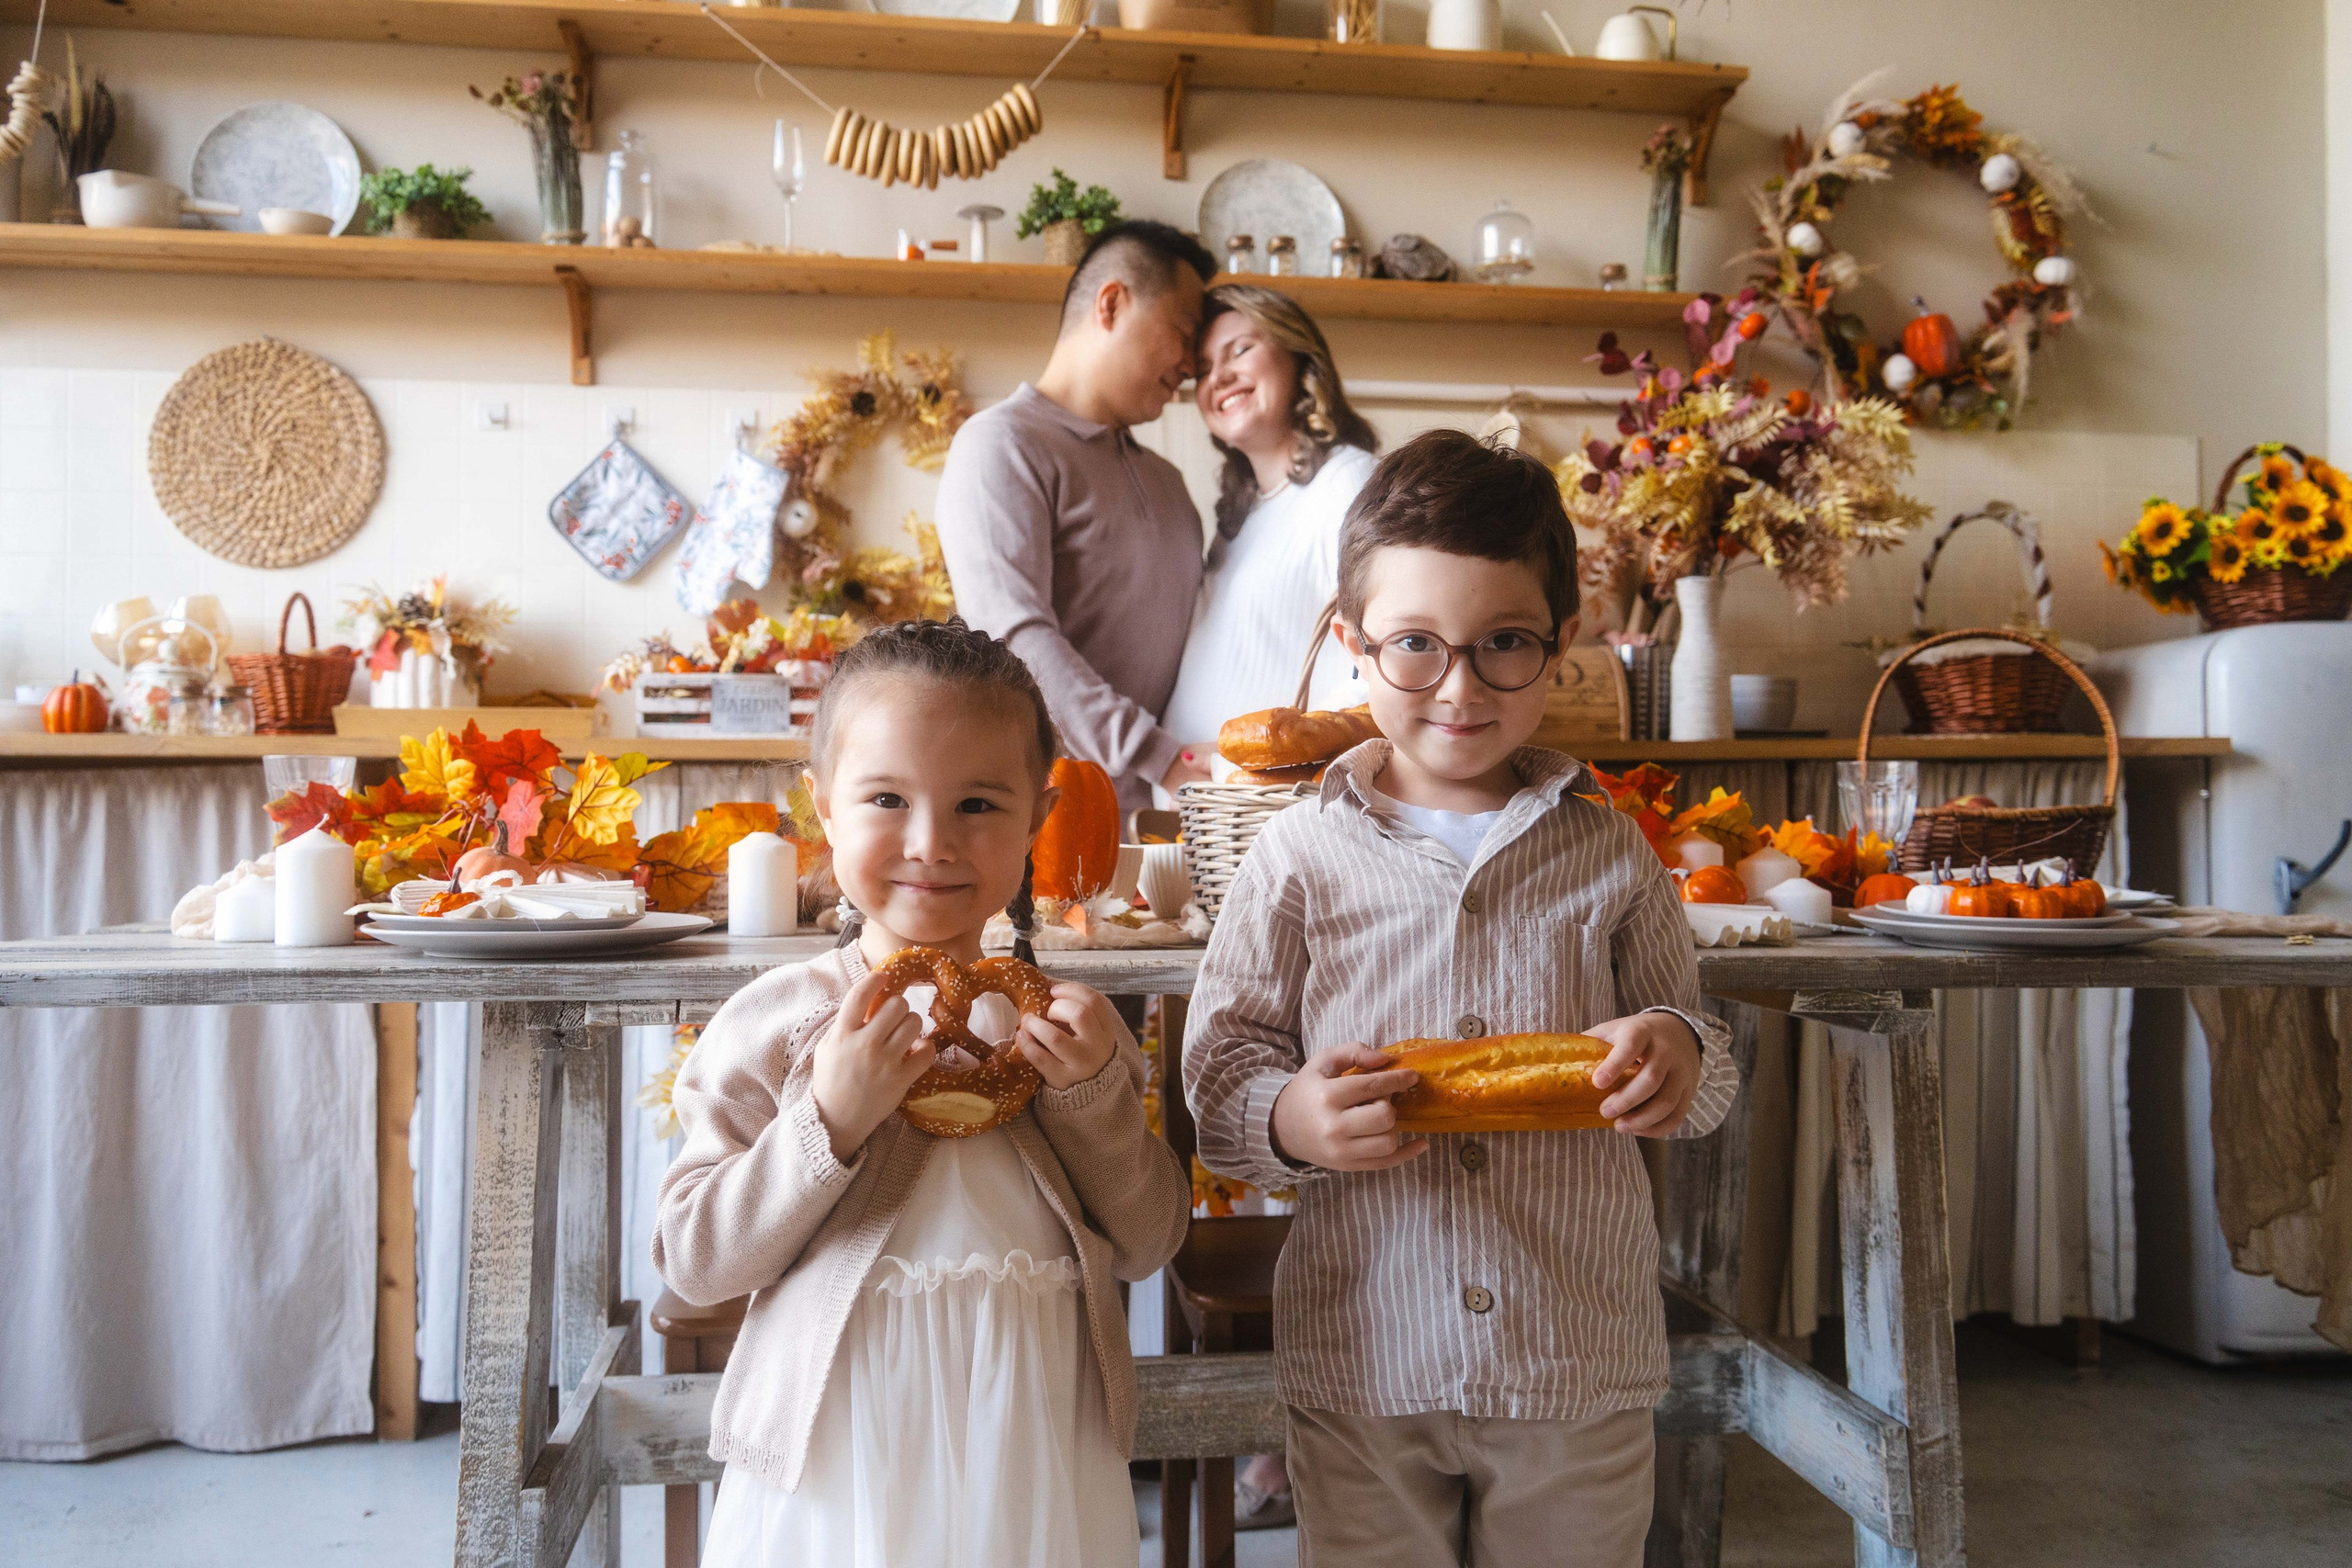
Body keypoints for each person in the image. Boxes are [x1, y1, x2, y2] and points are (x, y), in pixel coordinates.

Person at [1182, 431, 1743, 1567]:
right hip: (1366, 1351)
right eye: (1415, 647)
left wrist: (1678, 1054)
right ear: (1351, 644)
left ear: (1561, 644)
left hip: (1573, 1350)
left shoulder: (1611, 852)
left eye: (1503, 645)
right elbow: (1220, 1070)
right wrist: (1289, 1118)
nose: (1459, 687)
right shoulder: (1296, 857)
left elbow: (1705, 1055)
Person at [654, 618, 1192, 1568]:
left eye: (979, 804)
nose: (931, 843)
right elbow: (695, 1262)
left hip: (1033, 1435)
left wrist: (1089, 1102)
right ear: (822, 808)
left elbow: (1149, 1240)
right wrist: (828, 1121)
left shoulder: (1070, 1031)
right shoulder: (774, 1022)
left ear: (1038, 816)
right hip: (840, 1442)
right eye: (887, 798)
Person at [936, 220, 1221, 815]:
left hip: (1168, 823)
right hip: (1042, 823)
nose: (1194, 365)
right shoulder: (1001, 444)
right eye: (1185, 333)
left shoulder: (1170, 483)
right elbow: (1013, 636)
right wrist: (1162, 757)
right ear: (1112, 303)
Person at [1160, 283, 1380, 761]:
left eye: (1239, 350)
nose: (1219, 376)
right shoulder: (1239, 518)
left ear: (1301, 358)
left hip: (1272, 807)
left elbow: (1381, 668)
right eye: (1202, 370)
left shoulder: (1346, 482)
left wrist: (1271, 759)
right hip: (1206, 813)